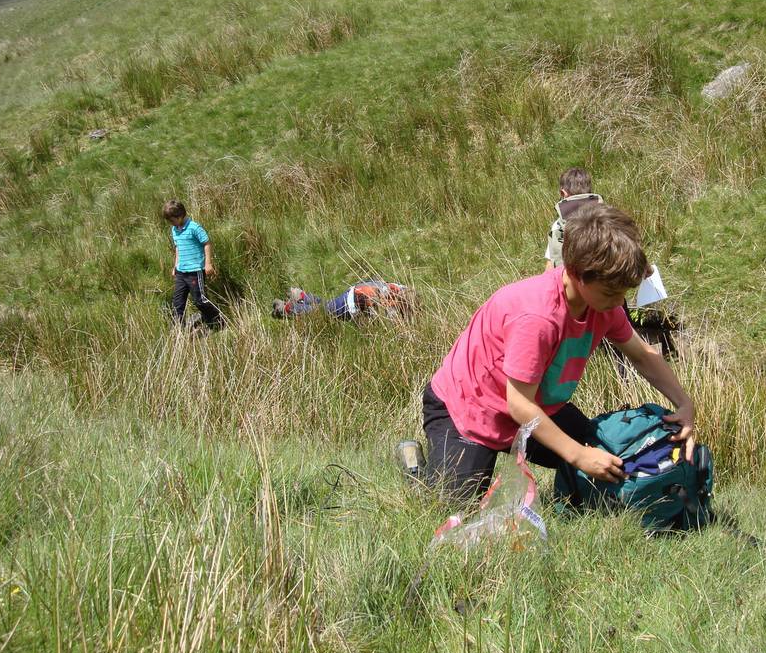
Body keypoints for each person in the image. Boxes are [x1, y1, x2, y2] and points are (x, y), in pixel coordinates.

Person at [424, 203, 696, 503]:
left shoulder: (602, 305)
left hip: (536, 404)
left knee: (612, 461)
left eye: (623, 293)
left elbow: (643, 355)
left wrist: (684, 404)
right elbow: (519, 405)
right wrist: (578, 455)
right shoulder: (537, 317)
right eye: (610, 293)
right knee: (454, 504)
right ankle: (414, 466)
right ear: (578, 274)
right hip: (471, 409)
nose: (619, 301)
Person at [162, 200, 222, 329]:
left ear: (180, 216)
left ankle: (218, 321)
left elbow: (207, 243)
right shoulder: (174, 229)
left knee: (200, 301)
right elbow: (178, 248)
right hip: (181, 272)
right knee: (177, 302)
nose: (171, 223)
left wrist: (208, 264)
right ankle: (178, 329)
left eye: (172, 220)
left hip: (195, 271)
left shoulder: (194, 227)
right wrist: (175, 266)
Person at [544, 167, 604, 271]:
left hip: (571, 283)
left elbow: (551, 265)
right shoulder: (607, 216)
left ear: (563, 193)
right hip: (603, 280)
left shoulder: (559, 225)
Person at [272, 281, 415, 321]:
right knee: (323, 313)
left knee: (328, 306)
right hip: (351, 304)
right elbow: (384, 315)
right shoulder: (391, 302)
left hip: (353, 292)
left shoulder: (396, 288)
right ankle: (287, 309)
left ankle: (302, 297)